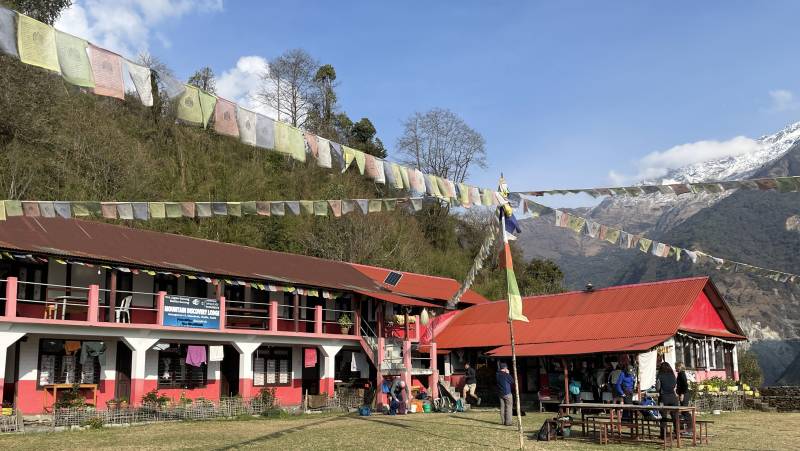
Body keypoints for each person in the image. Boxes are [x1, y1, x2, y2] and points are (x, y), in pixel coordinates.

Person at [655, 361, 679, 439]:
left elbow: (657, 387)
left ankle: (663, 434)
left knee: (663, 417)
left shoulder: (660, 375)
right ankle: (677, 433)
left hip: (663, 398)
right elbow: (674, 385)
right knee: (675, 417)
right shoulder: (673, 375)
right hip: (673, 397)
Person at [676, 362, 693, 434]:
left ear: (679, 367)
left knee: (685, 411)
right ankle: (685, 428)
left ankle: (690, 429)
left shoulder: (682, 374)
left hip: (684, 394)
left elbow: (685, 385)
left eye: (676, 366)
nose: (675, 368)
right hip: (683, 394)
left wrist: (682, 394)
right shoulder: (680, 374)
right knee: (683, 411)